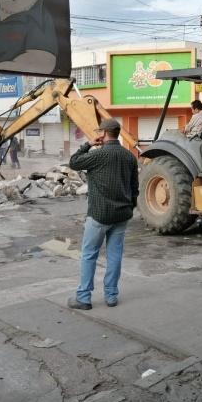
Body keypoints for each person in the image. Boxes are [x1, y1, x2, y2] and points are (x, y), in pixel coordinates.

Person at [67, 118, 139, 310]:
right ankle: (111, 296)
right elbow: (135, 188)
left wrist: (88, 144)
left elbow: (73, 162)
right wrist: (129, 208)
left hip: (99, 215)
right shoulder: (129, 157)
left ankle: (83, 298)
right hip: (121, 215)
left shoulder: (98, 156)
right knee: (115, 256)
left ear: (104, 134)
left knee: (89, 255)